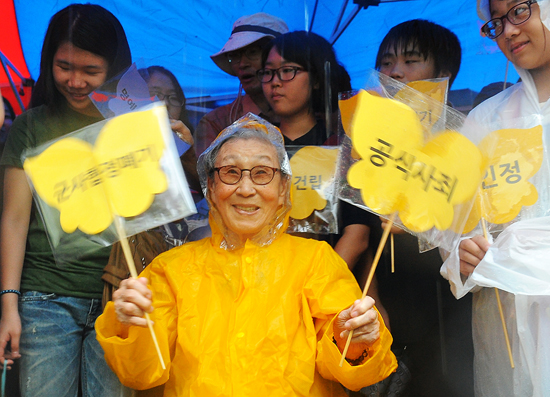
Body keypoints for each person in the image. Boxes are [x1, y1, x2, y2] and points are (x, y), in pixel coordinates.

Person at [95, 115, 397, 396]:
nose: (246, 188)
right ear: (211, 187)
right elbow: (142, 373)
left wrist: (354, 339)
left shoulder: (316, 261)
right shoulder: (170, 270)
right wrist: (130, 323)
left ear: (283, 189)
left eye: (262, 173)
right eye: (230, 173)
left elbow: (348, 369)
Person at [0, 4, 132, 396]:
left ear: (115, 67)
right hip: (45, 298)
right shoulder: (31, 125)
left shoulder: (132, 121)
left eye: (90, 71)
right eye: (63, 67)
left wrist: (174, 148)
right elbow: (14, 219)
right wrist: (9, 304)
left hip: (118, 297)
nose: (75, 81)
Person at [359, 19, 475, 397]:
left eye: (410, 61)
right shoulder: (367, 142)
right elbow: (358, 231)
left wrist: (423, 225)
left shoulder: (466, 143)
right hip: (389, 305)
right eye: (387, 62)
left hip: (450, 309)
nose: (395, 72)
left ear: (443, 74)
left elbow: (474, 229)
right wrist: (371, 295)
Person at [442, 0, 550, 395]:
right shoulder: (486, 120)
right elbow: (457, 221)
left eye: (521, 11)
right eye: (496, 22)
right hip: (505, 320)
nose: (508, 30)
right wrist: (461, 251)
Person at [260, 31, 375, 280]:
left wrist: (314, 288)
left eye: (288, 70)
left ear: (316, 79)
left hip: (324, 287)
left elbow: (357, 237)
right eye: (268, 72)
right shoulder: (254, 146)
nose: (275, 82)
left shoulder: (343, 148)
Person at [194, 12, 288, 156]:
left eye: (253, 52)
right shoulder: (217, 123)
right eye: (235, 56)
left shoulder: (312, 115)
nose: (242, 64)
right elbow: (207, 176)